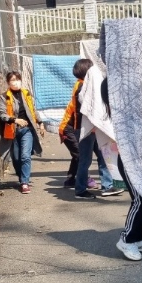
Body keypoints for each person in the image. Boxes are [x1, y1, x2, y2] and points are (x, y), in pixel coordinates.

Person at [100, 78, 142, 261]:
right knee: (139, 201)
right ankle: (127, 239)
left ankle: (140, 237)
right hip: (129, 162)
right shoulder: (120, 111)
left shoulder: (126, 108)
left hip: (140, 160)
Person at [0, 71, 44, 194]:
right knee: (16, 159)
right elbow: (2, 114)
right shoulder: (4, 97)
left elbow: (33, 110)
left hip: (27, 130)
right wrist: (15, 120)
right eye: (12, 80)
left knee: (25, 156)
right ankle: (21, 176)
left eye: (17, 79)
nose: (16, 82)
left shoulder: (26, 93)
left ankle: (24, 183)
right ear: (8, 83)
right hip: (12, 132)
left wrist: (40, 123)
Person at [58, 58, 98, 190]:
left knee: (78, 155)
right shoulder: (82, 87)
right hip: (69, 128)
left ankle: (70, 180)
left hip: (73, 127)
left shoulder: (81, 84)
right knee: (81, 155)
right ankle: (83, 181)